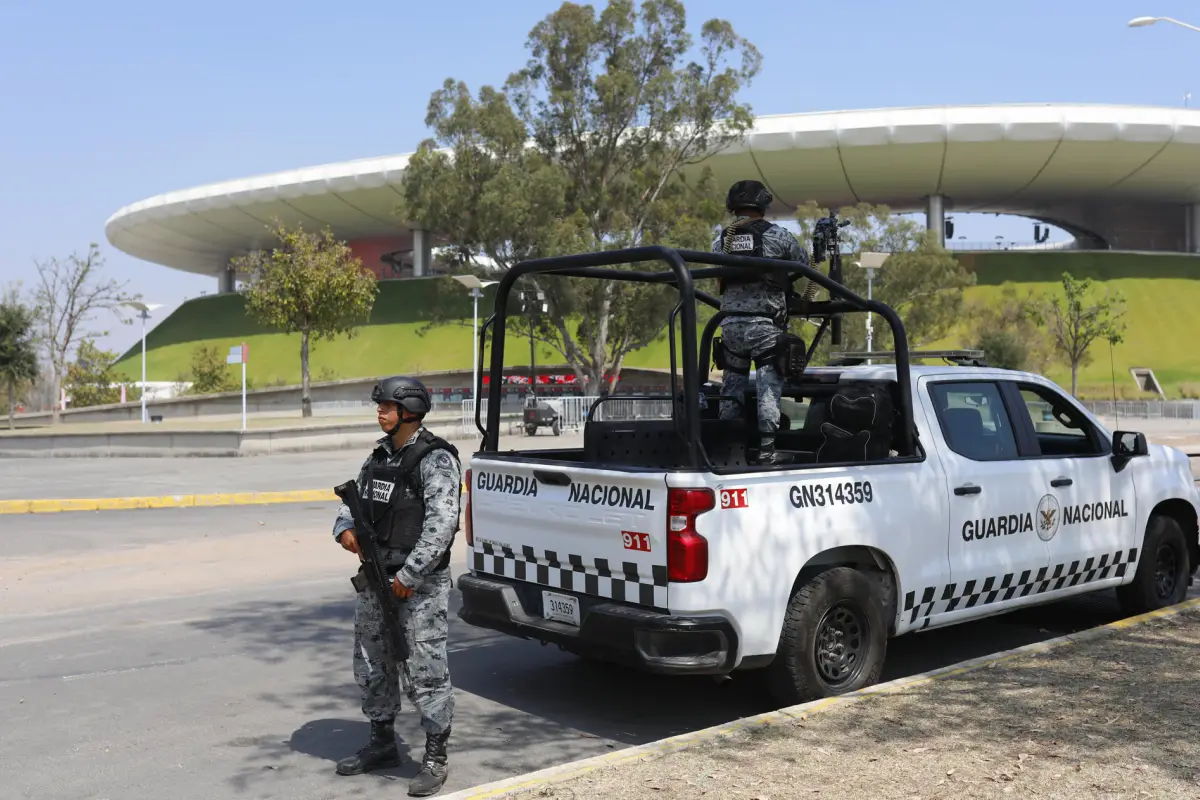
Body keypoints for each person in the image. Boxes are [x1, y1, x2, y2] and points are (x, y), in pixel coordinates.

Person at [331, 375, 461, 797]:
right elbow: (352, 503)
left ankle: (436, 755)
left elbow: (442, 524)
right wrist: (344, 530)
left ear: (409, 411)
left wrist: (409, 576)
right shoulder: (378, 457)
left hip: (416, 585)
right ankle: (382, 742)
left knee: (425, 667)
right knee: (373, 662)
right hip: (375, 579)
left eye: (387, 406)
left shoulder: (435, 458)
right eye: (380, 406)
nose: (380, 412)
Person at [713, 179, 809, 465]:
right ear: (764, 205)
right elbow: (802, 260)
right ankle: (767, 450)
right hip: (764, 326)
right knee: (768, 384)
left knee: (731, 385)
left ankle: (728, 448)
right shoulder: (777, 235)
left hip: (730, 326)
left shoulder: (722, 239)